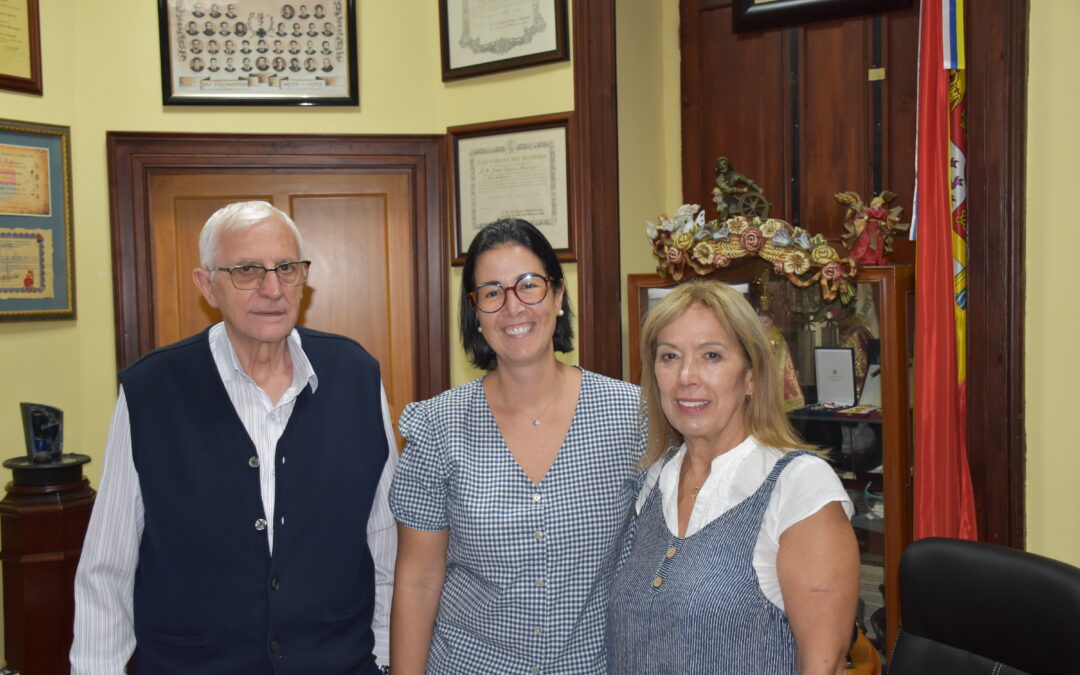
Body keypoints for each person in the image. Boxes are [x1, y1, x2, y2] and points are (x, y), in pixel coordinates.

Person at [70, 201, 397, 674]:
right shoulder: (151, 391)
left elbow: (384, 543)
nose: (273, 288)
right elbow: (108, 569)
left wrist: (385, 659)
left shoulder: (356, 376)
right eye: (247, 270)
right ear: (207, 285)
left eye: (287, 268)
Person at [390, 219, 645, 674]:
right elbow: (417, 580)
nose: (512, 307)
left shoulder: (633, 415)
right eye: (491, 292)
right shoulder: (438, 426)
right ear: (475, 313)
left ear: (558, 296)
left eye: (529, 285)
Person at [608, 279, 859, 674]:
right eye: (669, 356)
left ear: (752, 376)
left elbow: (823, 667)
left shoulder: (799, 487)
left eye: (711, 355)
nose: (686, 376)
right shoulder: (656, 480)